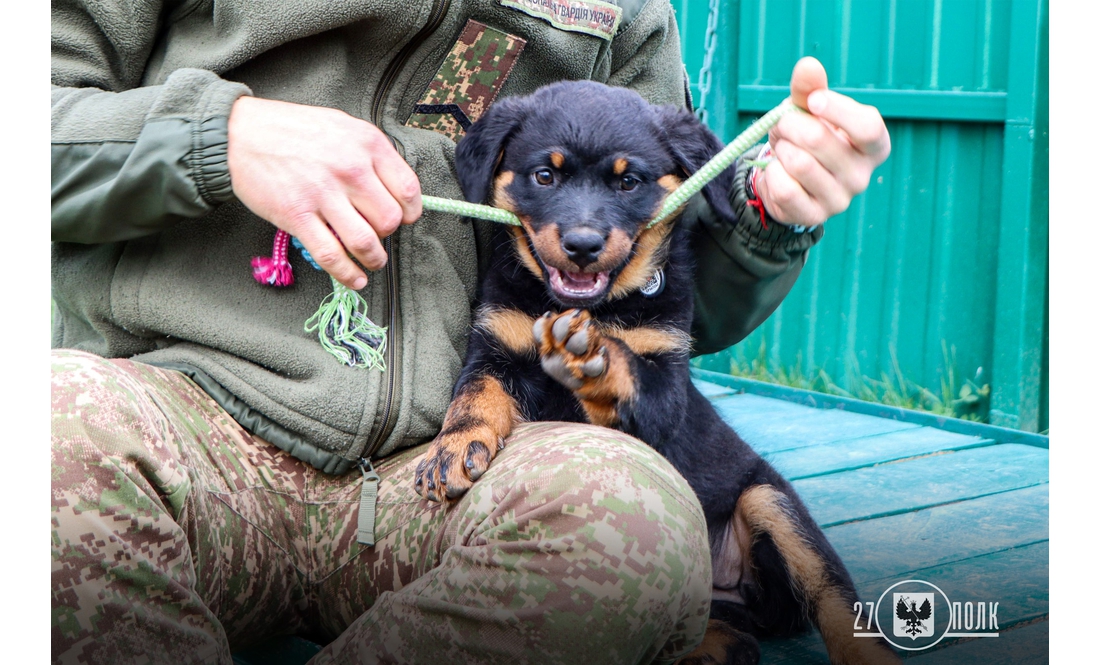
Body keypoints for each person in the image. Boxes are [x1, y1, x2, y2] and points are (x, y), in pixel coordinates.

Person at [51, 1, 890, 663]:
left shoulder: (633, 14)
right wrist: (216, 137)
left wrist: (763, 215)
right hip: (183, 416)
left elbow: (661, 298)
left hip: (456, 473)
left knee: (632, 518)